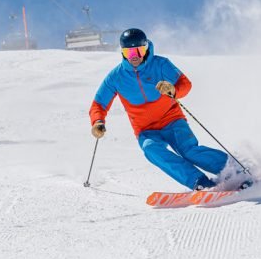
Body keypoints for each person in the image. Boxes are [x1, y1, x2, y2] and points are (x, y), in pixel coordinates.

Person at [89, 28, 240, 191]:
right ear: (122, 52)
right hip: (145, 130)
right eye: (129, 52)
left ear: (146, 48)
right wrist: (97, 122)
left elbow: (185, 84)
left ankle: (235, 170)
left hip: (172, 120)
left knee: (189, 151)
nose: (135, 56)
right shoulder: (116, 77)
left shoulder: (161, 64)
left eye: (139, 51)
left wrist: (174, 90)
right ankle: (199, 182)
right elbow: (99, 104)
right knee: (151, 149)